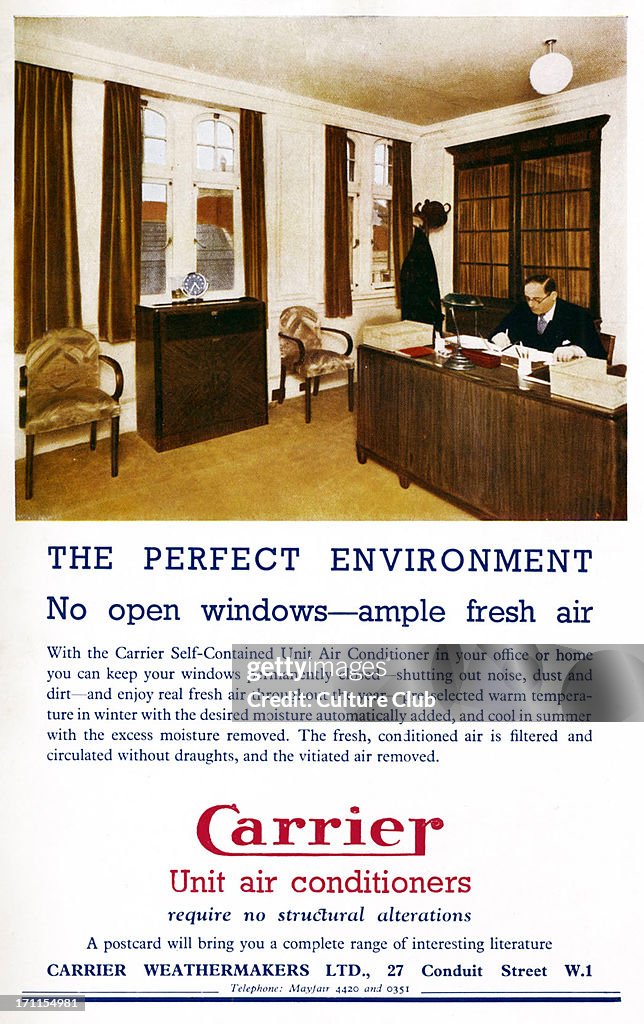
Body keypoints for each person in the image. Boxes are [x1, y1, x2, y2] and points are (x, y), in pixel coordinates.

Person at [489, 274, 606, 361]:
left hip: (559, 376)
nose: (531, 304)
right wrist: (498, 335)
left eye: (537, 300)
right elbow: (498, 330)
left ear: (553, 296)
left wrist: (575, 350)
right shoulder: (523, 309)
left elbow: (598, 354)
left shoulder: (576, 315)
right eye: (528, 298)